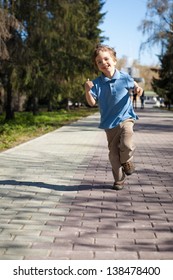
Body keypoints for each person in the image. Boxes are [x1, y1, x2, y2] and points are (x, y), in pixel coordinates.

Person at [85, 44, 143, 190]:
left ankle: (127, 161)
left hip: (126, 118)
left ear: (114, 61)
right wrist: (87, 90)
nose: (104, 63)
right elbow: (91, 102)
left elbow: (135, 86)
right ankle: (119, 179)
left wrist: (138, 89)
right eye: (99, 61)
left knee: (127, 144)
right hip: (109, 123)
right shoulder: (97, 83)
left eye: (106, 59)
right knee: (113, 155)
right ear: (97, 65)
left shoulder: (124, 77)